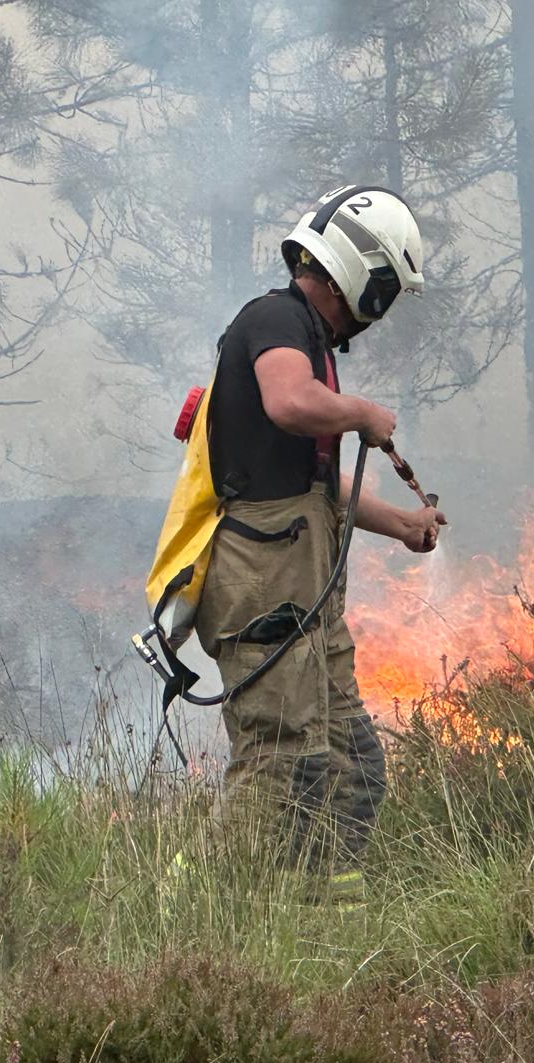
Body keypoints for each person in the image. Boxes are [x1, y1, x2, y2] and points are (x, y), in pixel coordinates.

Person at [193, 184, 446, 906]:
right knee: (280, 763)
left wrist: (402, 523)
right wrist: (362, 412)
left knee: (351, 765)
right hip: (264, 586)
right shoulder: (276, 318)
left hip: (305, 593)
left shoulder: (309, 343)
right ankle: (198, 911)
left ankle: (324, 912)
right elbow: (288, 403)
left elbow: (316, 486)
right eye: (387, 289)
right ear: (365, 274)